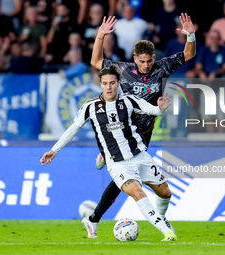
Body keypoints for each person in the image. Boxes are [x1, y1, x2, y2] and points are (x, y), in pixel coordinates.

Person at [86, 13, 196, 238]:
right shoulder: (123, 70)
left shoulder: (162, 67)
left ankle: (94, 216)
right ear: (135, 58)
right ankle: (105, 157)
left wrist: (191, 35)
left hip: (143, 135)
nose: (146, 66)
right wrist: (100, 36)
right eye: (142, 61)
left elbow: (188, 54)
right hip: (120, 130)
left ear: (154, 57)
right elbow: (96, 62)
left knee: (124, 182)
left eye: (149, 61)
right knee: (126, 180)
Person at [40, 64, 177, 241]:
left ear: (118, 83)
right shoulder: (91, 106)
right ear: (100, 84)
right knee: (137, 192)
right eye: (105, 83)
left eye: (112, 83)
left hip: (139, 156)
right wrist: (54, 150)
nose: (109, 87)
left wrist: (161, 108)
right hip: (117, 163)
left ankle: (160, 218)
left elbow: (153, 110)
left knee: (165, 193)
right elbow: (73, 129)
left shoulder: (128, 100)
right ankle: (166, 231)